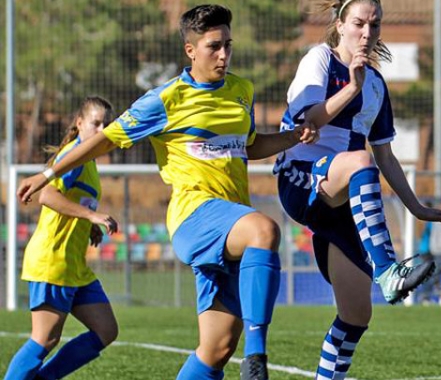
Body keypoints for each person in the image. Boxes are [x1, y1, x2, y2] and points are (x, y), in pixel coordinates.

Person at [17, 5, 318, 380]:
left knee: (217, 350)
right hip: (194, 215)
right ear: (191, 50)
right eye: (213, 47)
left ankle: (240, 356)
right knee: (265, 230)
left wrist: (292, 137)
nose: (224, 54)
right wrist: (47, 173)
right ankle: (257, 359)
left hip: (231, 219)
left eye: (228, 45)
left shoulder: (242, 90)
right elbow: (104, 142)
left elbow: (248, 144)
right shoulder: (165, 100)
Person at [274, 0, 441, 378]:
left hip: (340, 196)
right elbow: (307, 121)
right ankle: (388, 270)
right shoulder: (319, 59)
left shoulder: (375, 84)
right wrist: (350, 86)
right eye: (358, 23)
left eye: (375, 25)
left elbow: (386, 157)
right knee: (358, 160)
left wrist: (417, 208)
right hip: (302, 177)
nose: (367, 33)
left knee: (356, 314)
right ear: (340, 24)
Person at [4, 96, 120, 380]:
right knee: (44, 339)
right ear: (79, 124)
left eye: (107, 124)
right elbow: (47, 195)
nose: (102, 129)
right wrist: (91, 216)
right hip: (52, 260)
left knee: (106, 329)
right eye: (96, 123)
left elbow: (74, 201)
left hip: (73, 266)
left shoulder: (88, 161)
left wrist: (88, 223)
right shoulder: (75, 154)